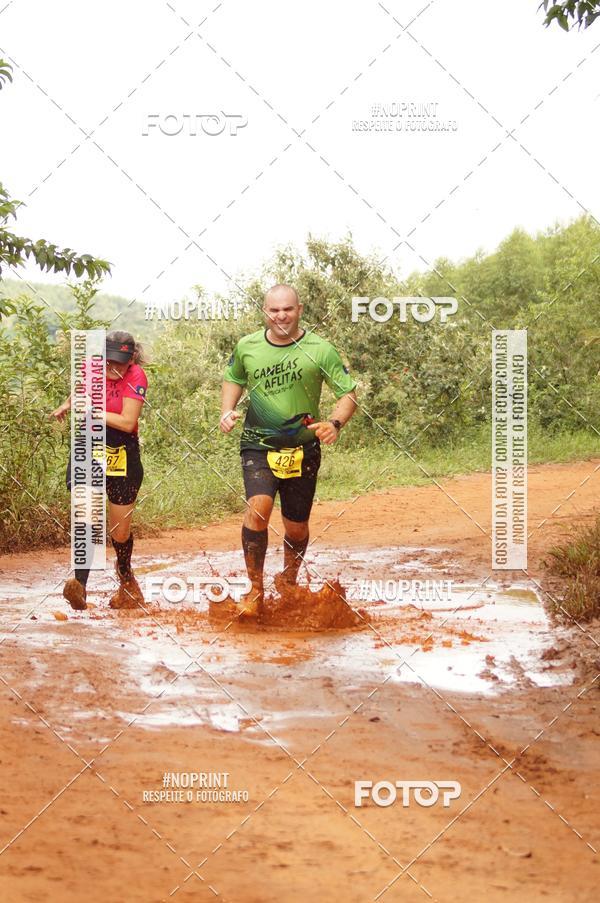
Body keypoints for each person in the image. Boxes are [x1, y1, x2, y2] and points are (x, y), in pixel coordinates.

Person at [220, 283, 357, 618]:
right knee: (258, 507)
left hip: (303, 448)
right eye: (274, 310)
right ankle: (255, 590)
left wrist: (335, 424)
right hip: (258, 443)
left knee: (296, 526)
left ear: (299, 310)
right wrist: (227, 409)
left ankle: (289, 578)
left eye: (288, 309)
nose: (281, 315)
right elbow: (234, 377)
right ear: (265, 311)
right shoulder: (247, 346)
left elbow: (348, 394)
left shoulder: (320, 349)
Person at [50, 330, 148, 611]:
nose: (114, 368)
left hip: (122, 449)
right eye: (109, 362)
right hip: (90, 443)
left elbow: (128, 422)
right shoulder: (93, 367)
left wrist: (92, 409)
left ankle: (127, 579)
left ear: (132, 359)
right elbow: (81, 389)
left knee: (119, 532)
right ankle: (80, 585)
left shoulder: (137, 376)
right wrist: (67, 405)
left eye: (121, 363)